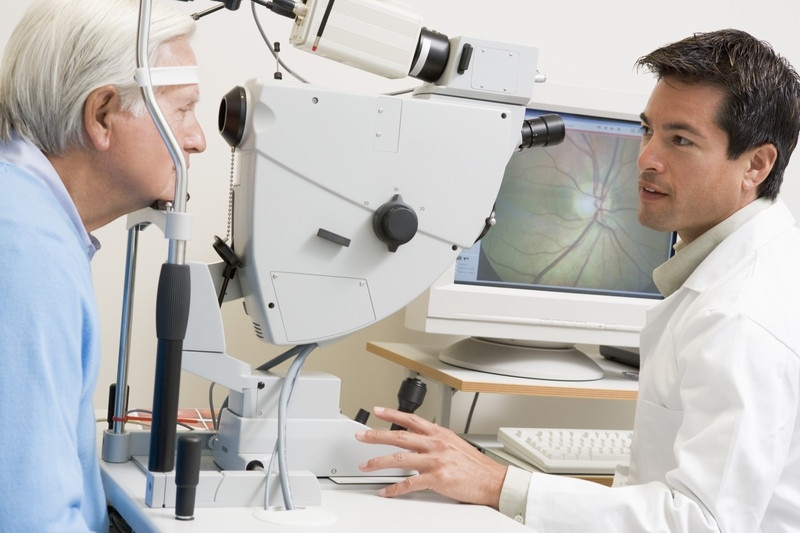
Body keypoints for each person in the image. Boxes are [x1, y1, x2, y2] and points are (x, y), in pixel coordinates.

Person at [357, 28, 800, 531]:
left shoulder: (741, 315)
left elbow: (703, 522)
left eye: (680, 140)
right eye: (647, 130)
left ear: (756, 165)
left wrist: (499, 483)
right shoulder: (734, 271)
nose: (647, 159)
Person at [0, 0, 206, 530]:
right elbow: (28, 518)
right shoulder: (24, 249)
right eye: (182, 110)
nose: (198, 140)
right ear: (102, 116)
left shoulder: (27, 214)